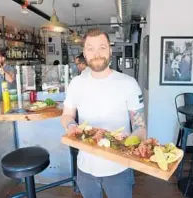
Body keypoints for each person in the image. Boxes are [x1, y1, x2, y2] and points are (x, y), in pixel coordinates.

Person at [61, 28, 147, 198]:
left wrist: (132, 141)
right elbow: (66, 115)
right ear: (84, 53)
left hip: (119, 168)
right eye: (90, 48)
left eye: (102, 47)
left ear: (110, 50)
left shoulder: (128, 83)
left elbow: (140, 126)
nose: (96, 53)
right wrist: (72, 126)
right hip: (85, 168)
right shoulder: (76, 83)